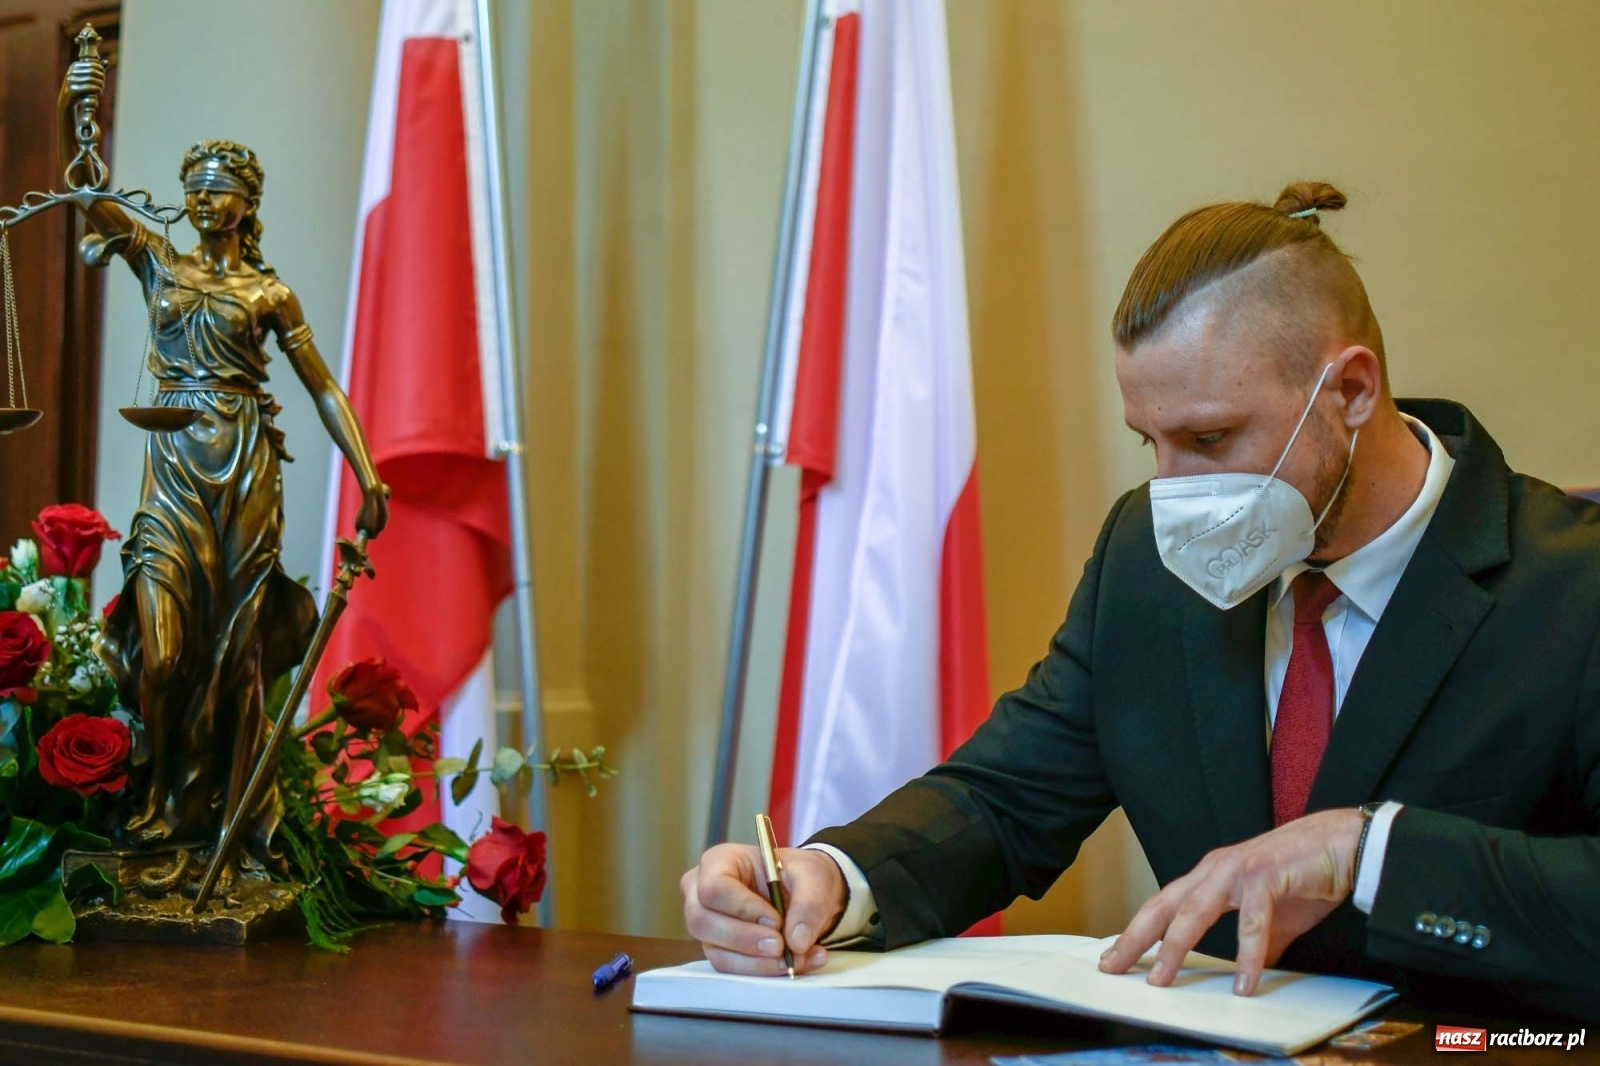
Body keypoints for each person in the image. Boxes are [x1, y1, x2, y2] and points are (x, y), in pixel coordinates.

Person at [682, 181, 1600, 1018]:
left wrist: (1370, 852)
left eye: (1209, 437)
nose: (1173, 490)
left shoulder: (1571, 588)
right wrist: (832, 877)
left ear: (1351, 391)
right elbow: (1008, 794)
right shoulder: (1146, 556)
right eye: (1148, 441)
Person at [58, 58, 389, 871]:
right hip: (171, 466)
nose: (204, 201)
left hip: (243, 471)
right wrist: (79, 114)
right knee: (164, 652)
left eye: (219, 189)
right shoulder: (158, 261)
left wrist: (369, 474)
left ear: (249, 202)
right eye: (194, 187)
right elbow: (91, 197)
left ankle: (209, 824)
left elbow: (322, 388)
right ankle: (160, 798)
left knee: (232, 653)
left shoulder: (270, 295)